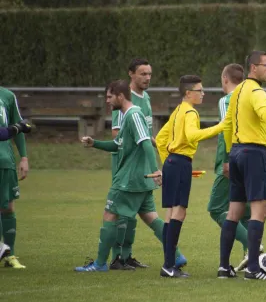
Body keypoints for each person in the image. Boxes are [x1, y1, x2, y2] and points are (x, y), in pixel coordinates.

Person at [75, 80, 163, 272]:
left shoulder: (133, 115)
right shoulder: (126, 116)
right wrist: (94, 143)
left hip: (128, 179)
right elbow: (118, 144)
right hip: (138, 179)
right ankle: (177, 256)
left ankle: (99, 264)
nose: (107, 101)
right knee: (151, 217)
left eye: (109, 96)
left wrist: (156, 169)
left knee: (110, 215)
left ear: (120, 96)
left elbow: (146, 142)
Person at [110, 58, 186, 270]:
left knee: (135, 212)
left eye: (149, 74)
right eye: (143, 74)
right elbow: (117, 135)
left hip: (143, 167)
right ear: (131, 74)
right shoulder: (122, 99)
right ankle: (123, 256)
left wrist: (161, 148)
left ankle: (122, 258)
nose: (147, 78)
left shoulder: (146, 98)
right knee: (133, 212)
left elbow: (146, 134)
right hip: (127, 166)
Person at [218, 50, 266, 280]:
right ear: (253, 67)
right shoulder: (256, 91)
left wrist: (228, 155)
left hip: (235, 152)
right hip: (253, 153)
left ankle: (224, 267)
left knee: (234, 210)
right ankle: (253, 269)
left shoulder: (238, 92)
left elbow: (227, 125)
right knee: (259, 210)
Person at [155, 75, 225, 278]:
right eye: (199, 90)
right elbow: (193, 135)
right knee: (179, 212)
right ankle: (169, 266)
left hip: (172, 163)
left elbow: (160, 139)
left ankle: (168, 265)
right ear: (188, 93)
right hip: (180, 163)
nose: (203, 94)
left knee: (170, 213)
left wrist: (168, 161)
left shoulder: (178, 111)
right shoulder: (190, 112)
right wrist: (222, 126)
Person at [207, 64, 255, 273]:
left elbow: (229, 128)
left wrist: (226, 159)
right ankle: (249, 257)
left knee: (216, 208)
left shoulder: (227, 100)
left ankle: (255, 248)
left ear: (224, 78)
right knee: (245, 210)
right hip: (251, 157)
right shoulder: (250, 96)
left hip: (233, 159)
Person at [0, 87, 29, 269]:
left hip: (5, 160)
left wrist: (24, 157)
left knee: (8, 207)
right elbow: (16, 128)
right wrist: (18, 127)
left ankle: (10, 255)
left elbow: (19, 128)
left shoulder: (7, 96)